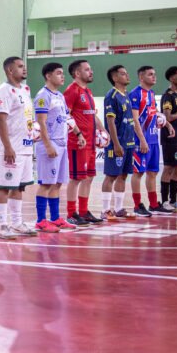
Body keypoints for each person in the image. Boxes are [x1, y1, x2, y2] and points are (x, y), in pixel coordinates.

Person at [0, 56, 38, 239]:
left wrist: (33, 133)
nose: (24, 69)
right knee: (4, 187)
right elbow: (1, 119)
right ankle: (2, 225)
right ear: (10, 70)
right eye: (20, 66)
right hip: (11, 149)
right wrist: (7, 147)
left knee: (19, 187)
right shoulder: (4, 91)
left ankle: (17, 222)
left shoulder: (25, 89)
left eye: (23, 66)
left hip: (25, 147)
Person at [33, 62, 76, 233]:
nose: (62, 76)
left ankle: (56, 218)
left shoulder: (60, 96)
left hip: (62, 144)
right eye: (58, 73)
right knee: (46, 183)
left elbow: (66, 118)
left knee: (57, 184)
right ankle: (40, 221)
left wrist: (78, 134)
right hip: (50, 145)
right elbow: (41, 123)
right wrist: (48, 145)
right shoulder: (43, 96)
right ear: (48, 76)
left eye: (62, 73)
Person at [64, 59, 106, 226]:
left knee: (89, 177)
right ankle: (71, 213)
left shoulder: (88, 91)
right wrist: (78, 134)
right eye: (87, 69)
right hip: (77, 142)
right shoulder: (71, 91)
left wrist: (103, 130)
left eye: (91, 69)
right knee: (76, 179)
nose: (91, 72)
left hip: (90, 143)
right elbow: (66, 115)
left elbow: (92, 115)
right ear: (77, 73)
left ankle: (83, 211)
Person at [101, 65, 137, 220]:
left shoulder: (126, 94)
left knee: (123, 175)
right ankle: (105, 210)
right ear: (115, 77)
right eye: (123, 74)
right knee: (111, 175)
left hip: (129, 142)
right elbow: (111, 121)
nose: (127, 76)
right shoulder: (112, 95)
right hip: (117, 143)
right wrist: (116, 144)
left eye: (127, 73)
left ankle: (119, 208)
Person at [128, 66, 165, 216]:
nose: (154, 77)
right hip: (141, 140)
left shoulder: (152, 93)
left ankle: (154, 204)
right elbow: (135, 119)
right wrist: (142, 140)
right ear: (141, 77)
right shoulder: (135, 94)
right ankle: (137, 205)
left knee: (153, 173)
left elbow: (153, 113)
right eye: (150, 74)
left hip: (153, 139)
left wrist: (167, 124)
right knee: (138, 173)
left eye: (154, 74)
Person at [159, 66, 177, 211]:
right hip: (170, 137)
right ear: (171, 78)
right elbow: (168, 117)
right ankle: (164, 201)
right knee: (169, 167)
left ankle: (174, 200)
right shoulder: (168, 96)